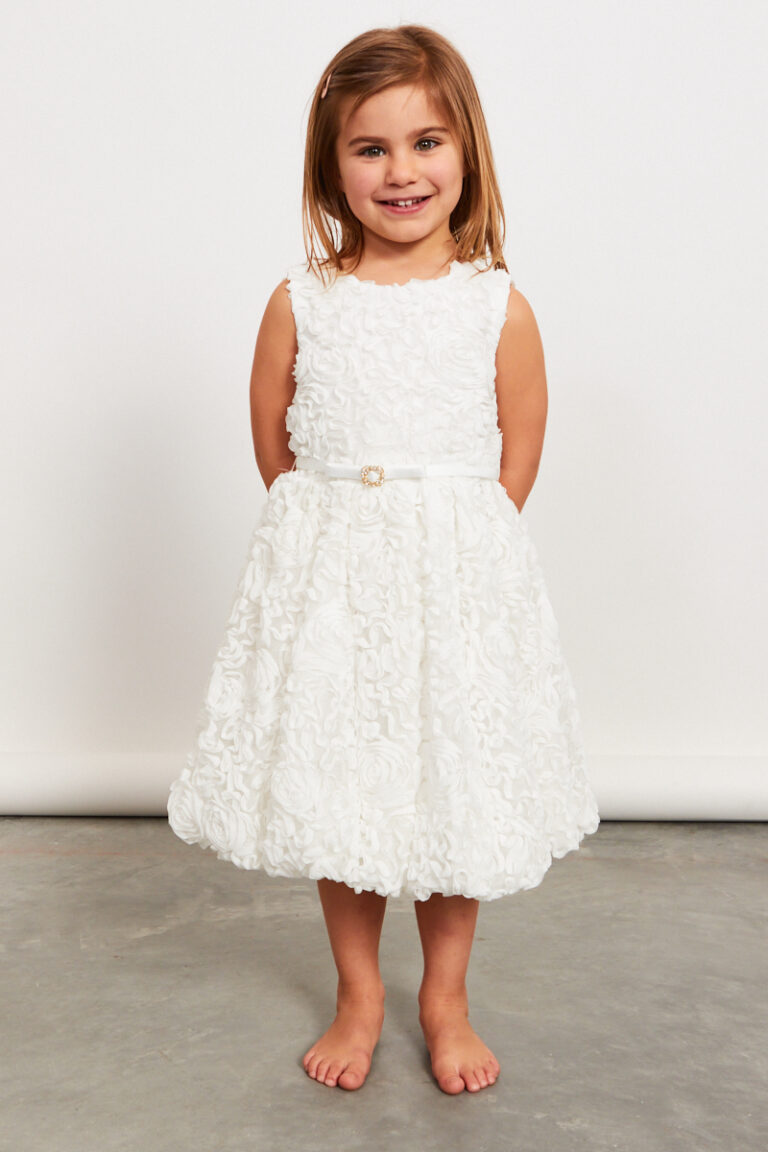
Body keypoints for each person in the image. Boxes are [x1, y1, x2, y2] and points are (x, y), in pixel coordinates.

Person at [167, 23, 600, 1096]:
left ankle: (445, 996)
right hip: (337, 591)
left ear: (467, 155)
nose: (401, 170)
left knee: (451, 791)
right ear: (333, 167)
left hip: (452, 589)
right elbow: (276, 449)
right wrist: (340, 549)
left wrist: (445, 554)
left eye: (425, 142)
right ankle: (358, 992)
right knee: (345, 791)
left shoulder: (496, 305)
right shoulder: (303, 301)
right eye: (371, 148)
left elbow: (516, 457)